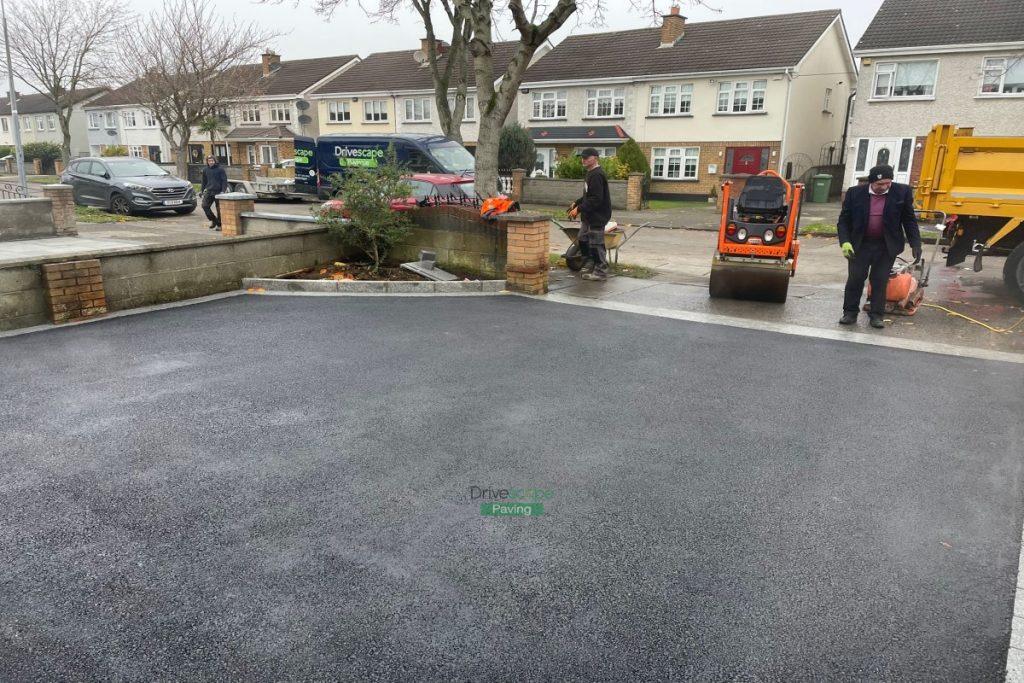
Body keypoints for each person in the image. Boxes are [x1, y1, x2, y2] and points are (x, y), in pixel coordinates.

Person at [837, 164, 922, 329]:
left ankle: (876, 316)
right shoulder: (855, 193)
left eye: (887, 183)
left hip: (886, 246)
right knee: (855, 279)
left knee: (880, 280)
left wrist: (915, 243)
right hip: (860, 245)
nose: (884, 187)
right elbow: (844, 220)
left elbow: (909, 220)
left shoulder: (902, 192)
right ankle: (850, 313)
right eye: (880, 184)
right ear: (871, 182)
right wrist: (845, 241)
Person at [568, 148, 612, 281]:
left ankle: (601, 272)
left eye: (586, 158)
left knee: (596, 244)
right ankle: (593, 263)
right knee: (582, 238)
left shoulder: (597, 175)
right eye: (582, 157)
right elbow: (589, 196)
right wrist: (576, 203)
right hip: (589, 215)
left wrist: (579, 209)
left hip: (597, 216)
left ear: (595, 158)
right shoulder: (590, 173)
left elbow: (596, 199)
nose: (583, 160)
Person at [200, 156, 228, 231]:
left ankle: (219, 225)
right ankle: (214, 220)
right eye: (209, 161)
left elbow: (224, 180)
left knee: (219, 209)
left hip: (218, 192)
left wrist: (223, 191)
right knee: (205, 206)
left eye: (212, 161)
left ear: (215, 161)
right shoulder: (205, 170)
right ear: (207, 162)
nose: (211, 162)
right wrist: (202, 191)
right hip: (209, 191)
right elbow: (204, 181)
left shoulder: (220, 169)